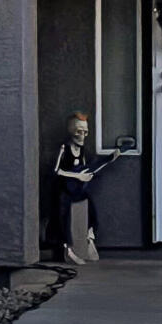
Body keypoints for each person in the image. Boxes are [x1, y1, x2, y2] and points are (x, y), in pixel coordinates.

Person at [49, 111, 128, 265]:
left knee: (91, 208)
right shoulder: (64, 148)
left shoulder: (83, 150)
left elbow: (86, 167)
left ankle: (90, 237)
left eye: (85, 132)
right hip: (64, 190)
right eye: (79, 131)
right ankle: (67, 249)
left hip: (77, 190)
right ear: (72, 131)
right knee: (62, 215)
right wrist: (77, 176)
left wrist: (110, 158)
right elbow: (56, 171)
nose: (83, 135)